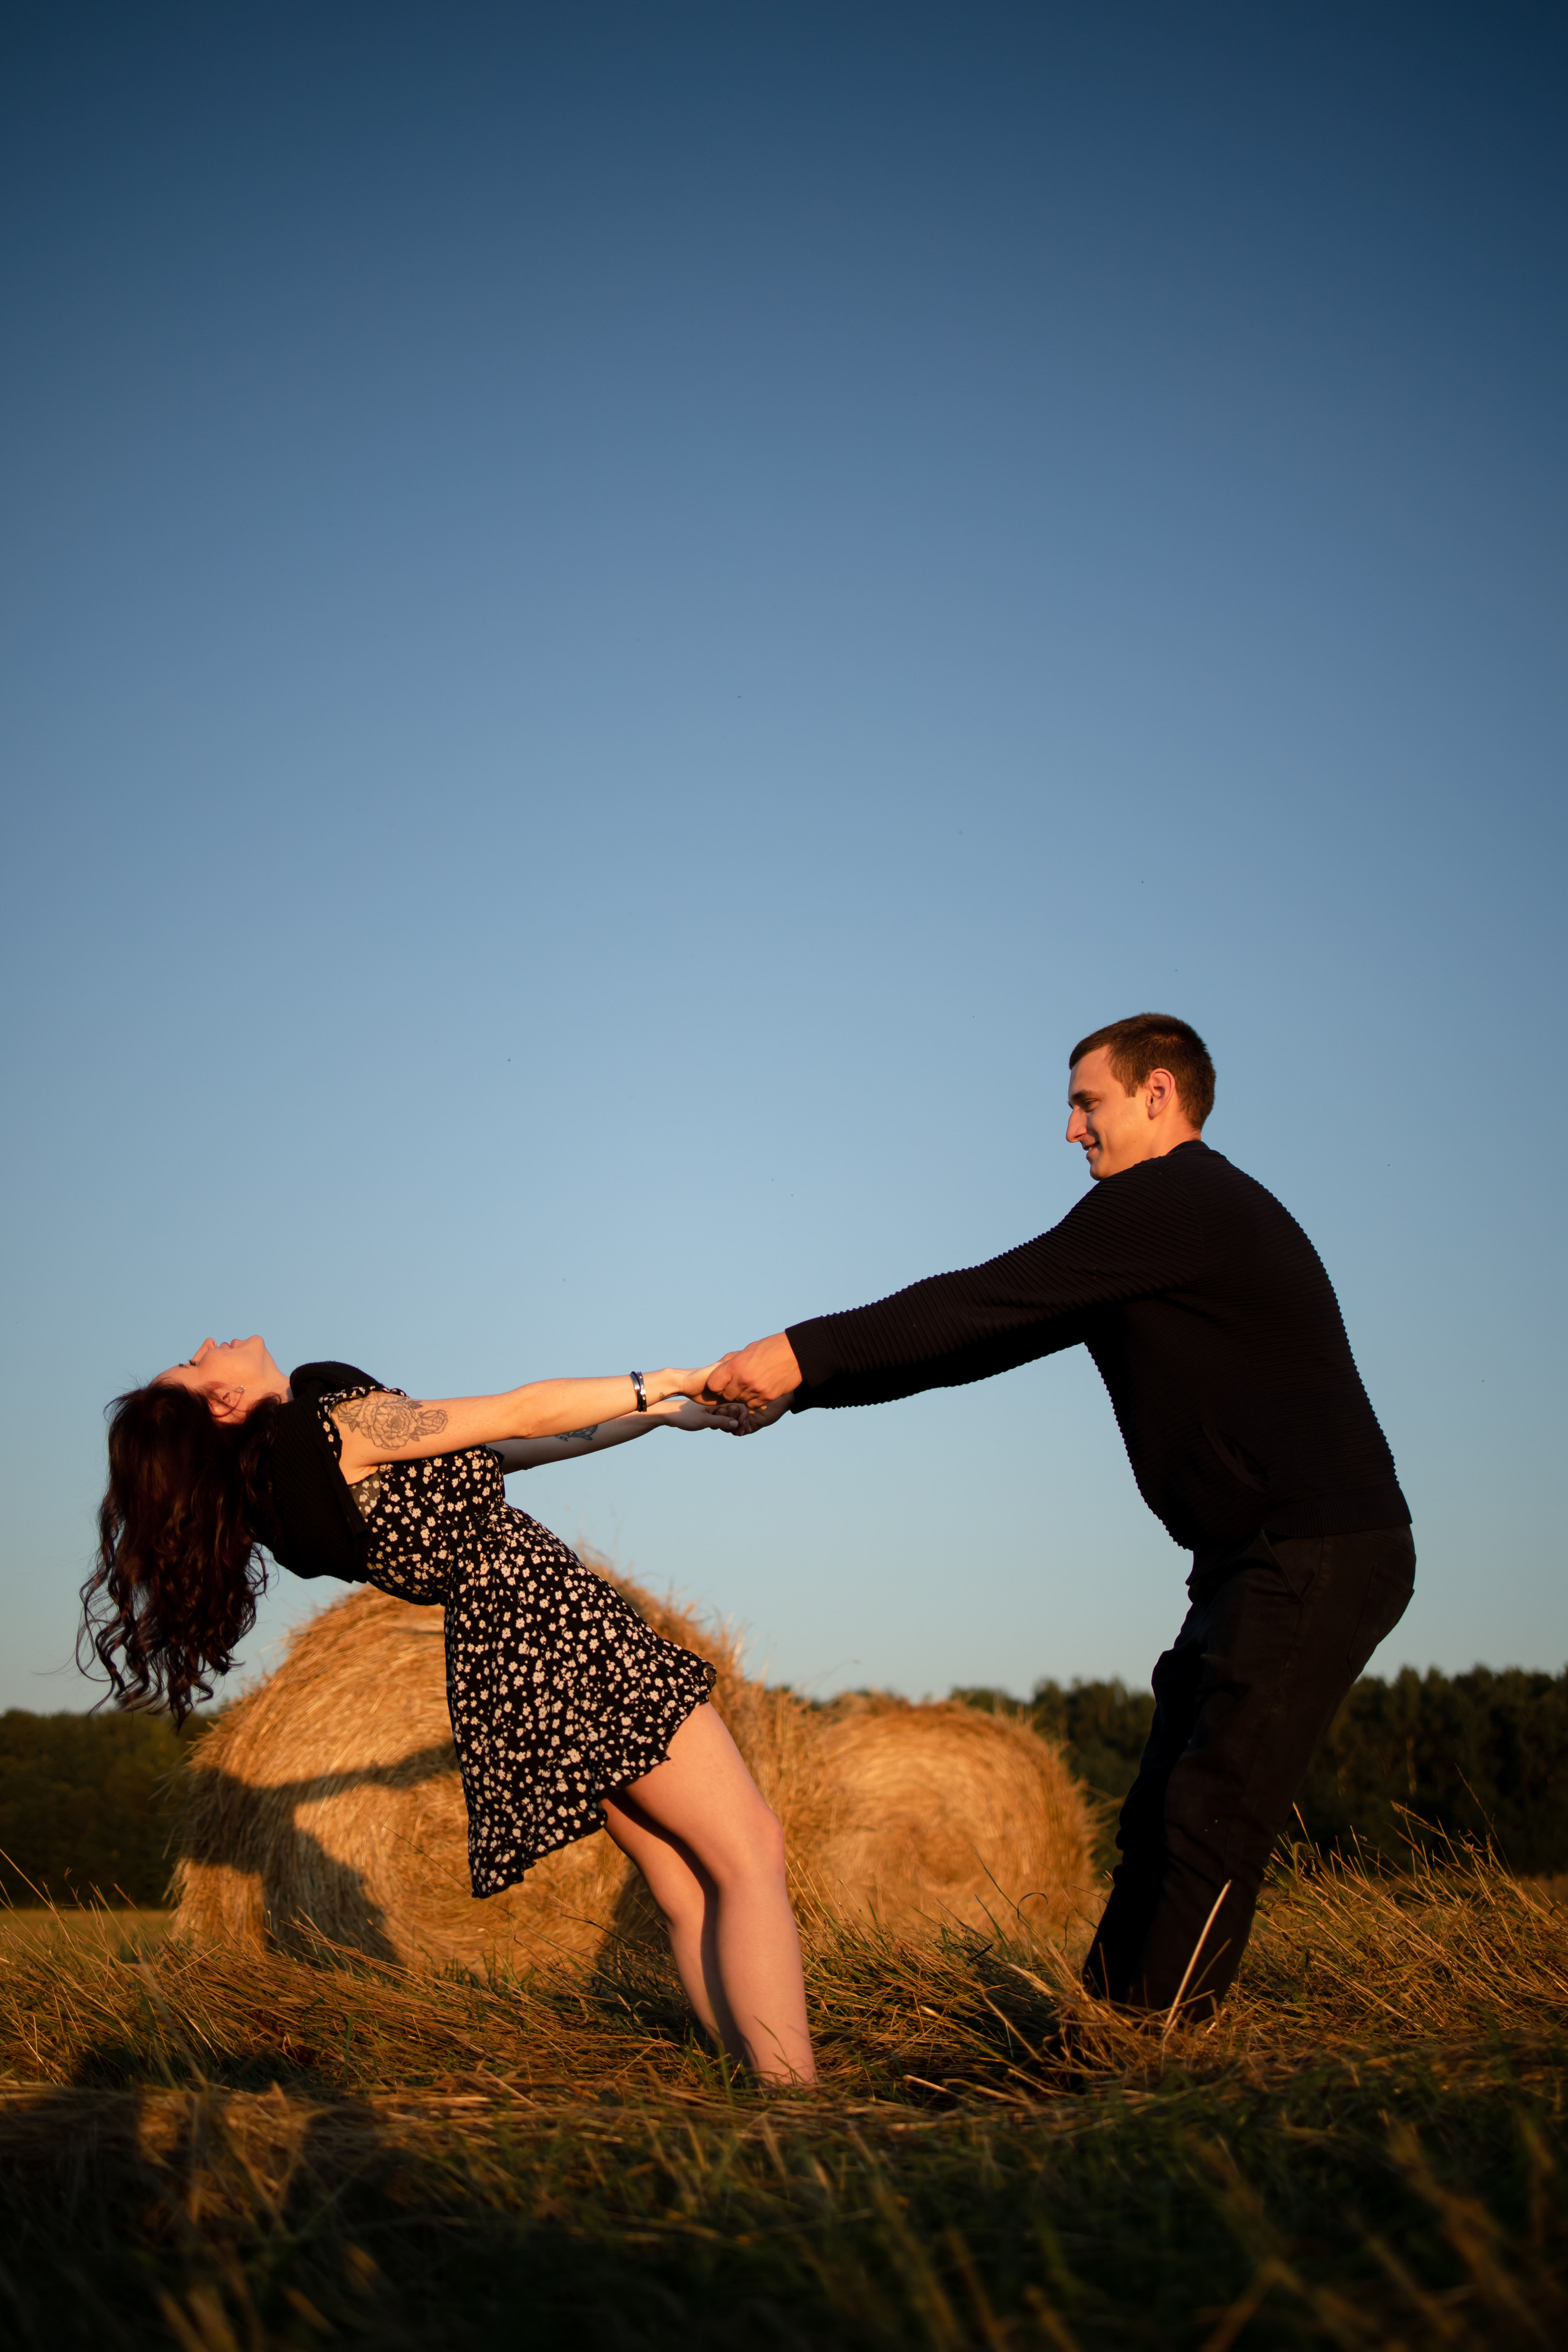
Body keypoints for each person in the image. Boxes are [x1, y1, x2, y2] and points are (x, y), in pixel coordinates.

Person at [706, 1012, 1414, 2021]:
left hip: (1314, 1549)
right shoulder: (1158, 1229)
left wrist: (795, 1351)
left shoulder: (1175, 1201)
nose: (1072, 1129)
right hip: (1256, 1555)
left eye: (1089, 1103)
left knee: (1212, 1813)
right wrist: (806, 1386)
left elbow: (985, 1298)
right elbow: (976, 1342)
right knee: (1161, 1815)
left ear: (1158, 1095)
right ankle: (1103, 2041)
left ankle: (1152, 2060)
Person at [84, 1337, 815, 2084]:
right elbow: (523, 1411)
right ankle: (794, 2096)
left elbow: (514, 1446)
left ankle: (753, 2085)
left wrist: (665, 1415)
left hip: (509, 1659)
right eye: (196, 1365)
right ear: (225, 1404)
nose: (208, 1346)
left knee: (685, 1880)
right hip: (559, 1631)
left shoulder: (293, 1489)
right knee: (750, 1850)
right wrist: (670, 1378)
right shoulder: (332, 1428)